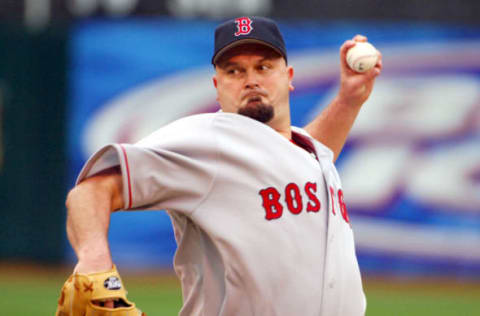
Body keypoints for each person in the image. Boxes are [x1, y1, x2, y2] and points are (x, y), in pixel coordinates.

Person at [56, 16, 382, 316]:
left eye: (263, 67)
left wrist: (348, 101)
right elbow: (91, 191)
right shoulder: (206, 141)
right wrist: (93, 262)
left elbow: (297, 159)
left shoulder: (305, 149)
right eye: (234, 71)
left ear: (289, 77)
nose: (250, 80)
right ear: (217, 86)